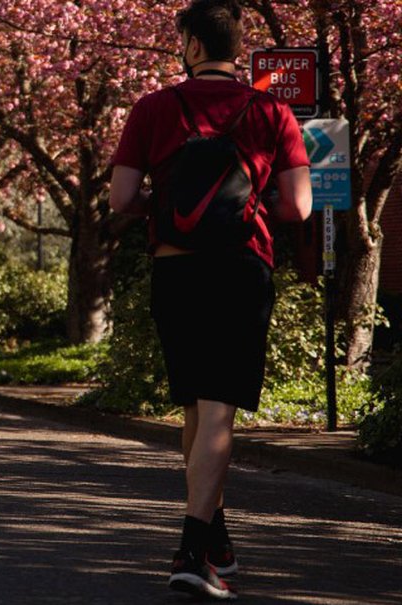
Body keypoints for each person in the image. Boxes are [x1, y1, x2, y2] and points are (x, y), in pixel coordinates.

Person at [108, 0, 313, 600]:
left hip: (175, 271)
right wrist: (244, 210)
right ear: (236, 47)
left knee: (196, 408)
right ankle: (194, 550)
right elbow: (297, 207)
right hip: (239, 269)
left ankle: (215, 541)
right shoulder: (271, 109)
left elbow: (121, 199)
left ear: (193, 45)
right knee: (220, 405)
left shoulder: (153, 108)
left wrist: (169, 211)